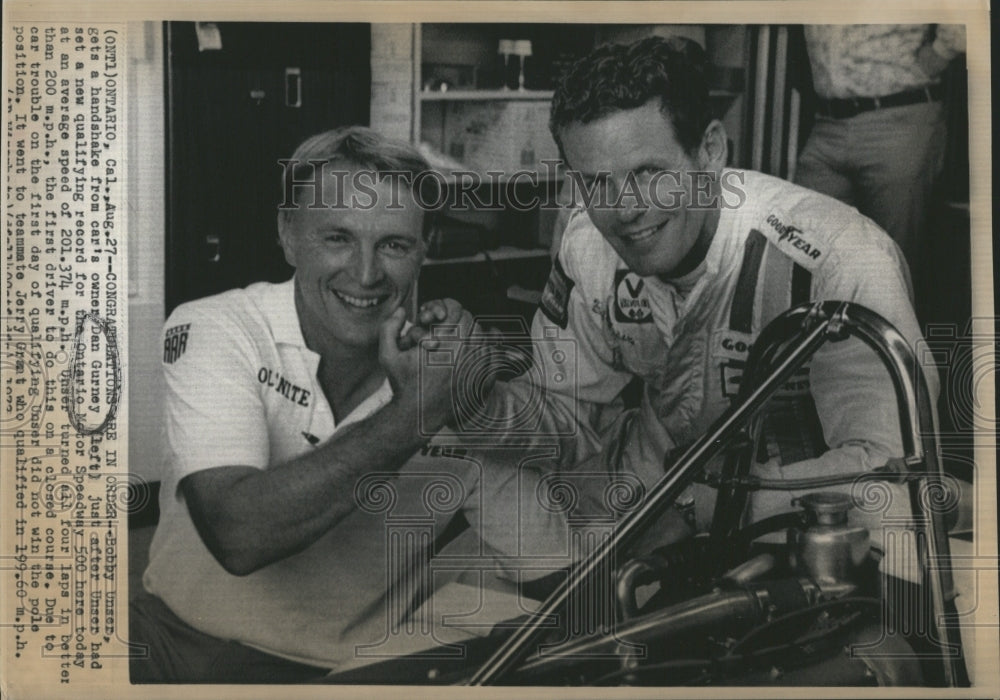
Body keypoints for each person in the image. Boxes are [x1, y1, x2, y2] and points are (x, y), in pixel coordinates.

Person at [131, 127, 576, 683]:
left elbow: (563, 580)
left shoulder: (445, 378)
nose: (365, 274)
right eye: (337, 238)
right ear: (288, 235)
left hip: (332, 676)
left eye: (393, 244)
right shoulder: (215, 327)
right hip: (173, 643)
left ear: (424, 249)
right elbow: (238, 535)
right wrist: (416, 415)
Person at [485, 35, 937, 558]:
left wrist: (694, 507)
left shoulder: (839, 257)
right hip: (646, 498)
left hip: (800, 531)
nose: (625, 210)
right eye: (596, 184)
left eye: (648, 174)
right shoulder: (587, 243)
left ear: (710, 151)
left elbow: (896, 472)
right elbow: (565, 413)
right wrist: (471, 400)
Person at [795, 24, 965, 275]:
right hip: (827, 123)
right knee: (805, 247)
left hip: (897, 116)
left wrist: (938, 55)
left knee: (891, 265)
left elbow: (962, 14)